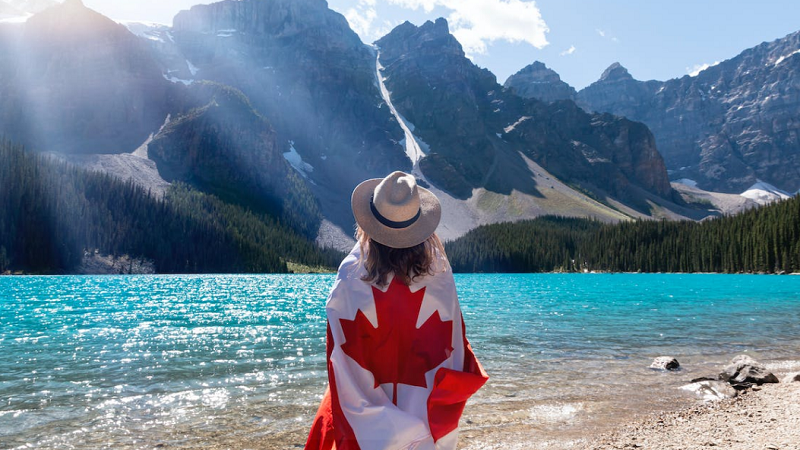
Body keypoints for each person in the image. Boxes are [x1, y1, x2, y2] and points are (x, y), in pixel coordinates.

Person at [305, 171, 488, 450]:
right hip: (424, 405)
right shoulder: (439, 271)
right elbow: (454, 342)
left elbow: (339, 353)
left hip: (365, 405)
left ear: (369, 222)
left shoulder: (351, 274)